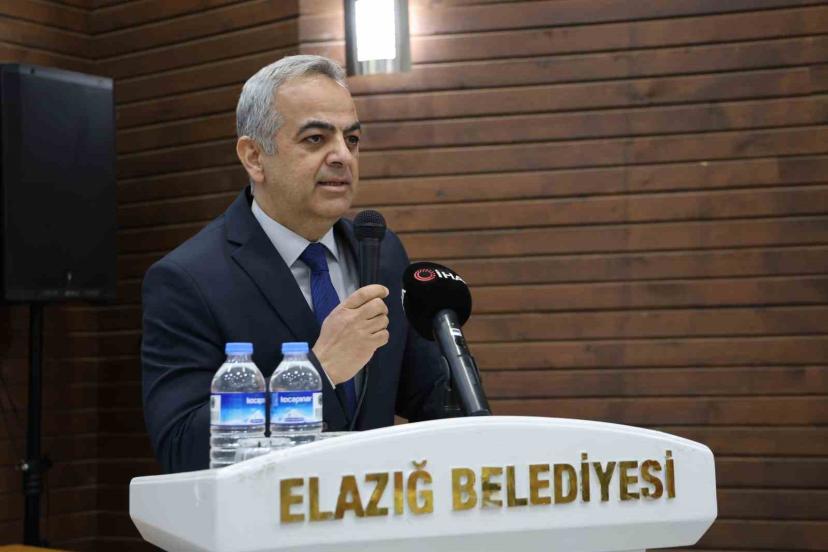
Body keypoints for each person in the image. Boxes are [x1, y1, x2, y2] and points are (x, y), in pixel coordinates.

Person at [141, 55, 448, 473]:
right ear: (254, 156)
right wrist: (318, 373)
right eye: (316, 139)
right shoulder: (188, 279)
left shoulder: (381, 252)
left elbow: (432, 398)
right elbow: (181, 446)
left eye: (352, 139)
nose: (342, 156)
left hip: (375, 509)